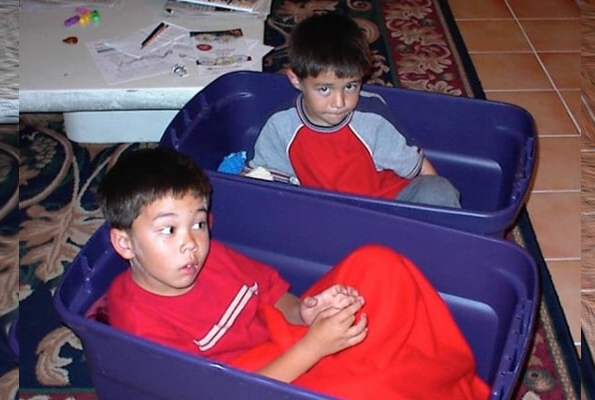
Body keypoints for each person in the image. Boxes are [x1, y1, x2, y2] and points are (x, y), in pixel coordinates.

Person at [100, 147, 489, 399]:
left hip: (287, 343)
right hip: (253, 386)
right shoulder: (138, 322)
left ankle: (421, 371)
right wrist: (314, 347)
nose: (191, 243)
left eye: (198, 223)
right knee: (371, 387)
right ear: (125, 244)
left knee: (379, 264)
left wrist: (306, 312)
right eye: (168, 230)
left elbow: (271, 293)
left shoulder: (209, 255)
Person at [246, 13, 461, 208]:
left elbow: (418, 167)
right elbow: (263, 178)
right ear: (295, 79)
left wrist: (440, 206)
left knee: (438, 190)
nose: (340, 102)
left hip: (388, 207)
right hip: (326, 213)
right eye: (324, 89)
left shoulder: (372, 118)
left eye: (350, 86)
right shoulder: (280, 125)